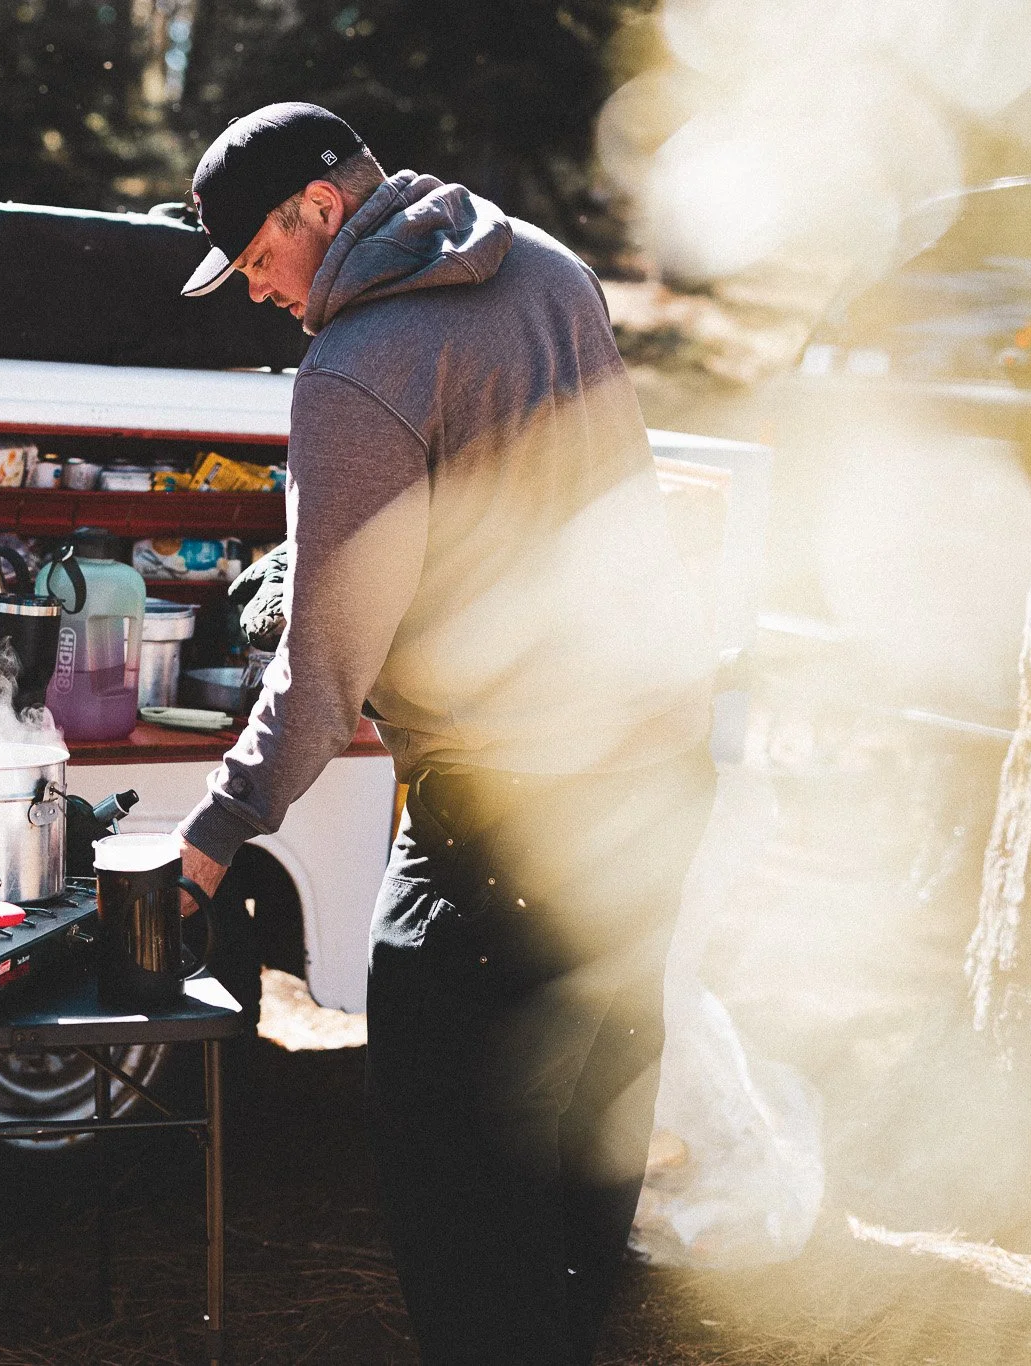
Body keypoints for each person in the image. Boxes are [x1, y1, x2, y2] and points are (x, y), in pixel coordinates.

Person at [172, 102, 718, 1365]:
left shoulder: (356, 368)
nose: (256, 291)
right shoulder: (547, 266)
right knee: (581, 1141)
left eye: (255, 258)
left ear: (319, 209)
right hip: (656, 778)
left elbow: (320, 681)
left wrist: (207, 840)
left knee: (454, 1176)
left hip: (508, 823)